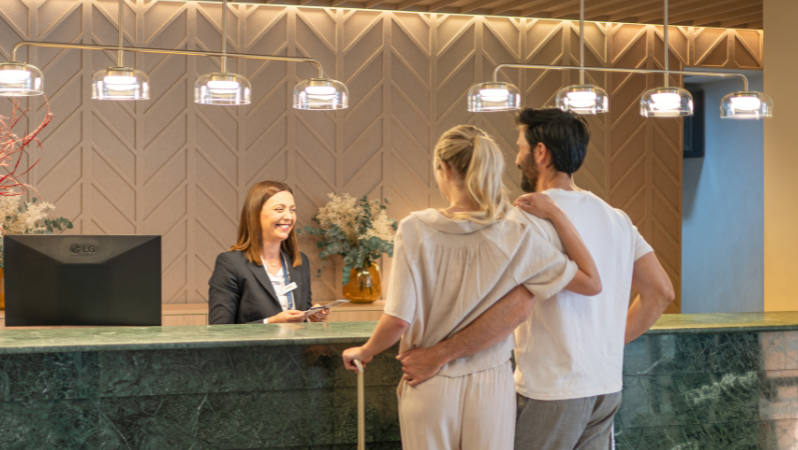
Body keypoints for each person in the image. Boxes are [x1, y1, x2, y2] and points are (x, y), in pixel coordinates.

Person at [397, 108, 676, 450]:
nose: (516, 159)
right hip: (606, 387)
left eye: (520, 148)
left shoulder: (525, 218)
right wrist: (604, 344)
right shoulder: (617, 218)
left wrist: (439, 354)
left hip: (552, 389)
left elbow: (515, 310)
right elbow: (660, 292)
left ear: (540, 152)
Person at [339, 124, 602, 450]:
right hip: (491, 384)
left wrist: (364, 351)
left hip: (428, 380)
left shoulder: (415, 228)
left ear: (445, 168)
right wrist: (558, 217)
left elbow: (398, 320)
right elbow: (591, 282)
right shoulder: (515, 234)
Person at [208, 181, 330, 324]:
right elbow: (219, 330)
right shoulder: (230, 264)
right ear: (255, 214)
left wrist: (311, 316)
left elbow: (300, 319)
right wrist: (271, 323)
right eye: (279, 209)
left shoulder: (299, 261)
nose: (289, 216)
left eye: (292, 210)